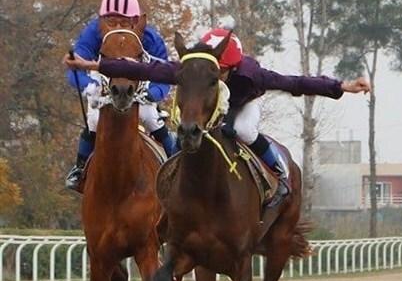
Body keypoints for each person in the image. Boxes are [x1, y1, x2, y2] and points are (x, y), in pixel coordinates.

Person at [64, 28, 370, 208]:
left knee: (241, 129)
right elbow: (142, 69)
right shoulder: (197, 68)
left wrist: (341, 86)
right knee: (187, 133)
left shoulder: (252, 76)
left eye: (220, 71)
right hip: (208, 106)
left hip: (240, 105)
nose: (214, 73)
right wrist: (91, 65)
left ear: (232, 68)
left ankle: (278, 174)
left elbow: (296, 83)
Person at [65, 0, 176, 191]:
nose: (117, 28)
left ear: (136, 21)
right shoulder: (93, 32)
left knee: (150, 117)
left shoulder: (150, 38)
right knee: (94, 120)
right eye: (111, 21)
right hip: (104, 81)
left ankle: (176, 165)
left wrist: (154, 93)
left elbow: (164, 73)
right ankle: (79, 167)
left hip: (139, 81)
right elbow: (75, 67)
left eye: (124, 22)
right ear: (101, 21)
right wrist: (88, 85)